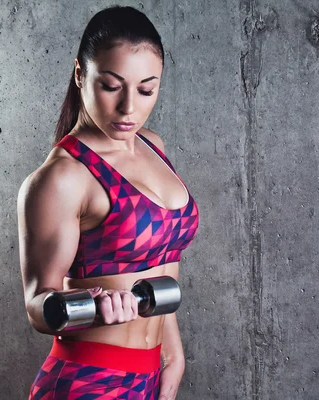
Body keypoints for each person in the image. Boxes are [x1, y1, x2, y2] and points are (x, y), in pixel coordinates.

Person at [17, 6, 199, 399]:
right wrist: (91, 306)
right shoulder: (63, 178)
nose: (129, 108)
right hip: (90, 381)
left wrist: (174, 356)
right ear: (81, 75)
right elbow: (37, 303)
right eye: (112, 86)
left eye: (147, 89)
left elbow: (161, 267)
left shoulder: (154, 146)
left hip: (150, 375)